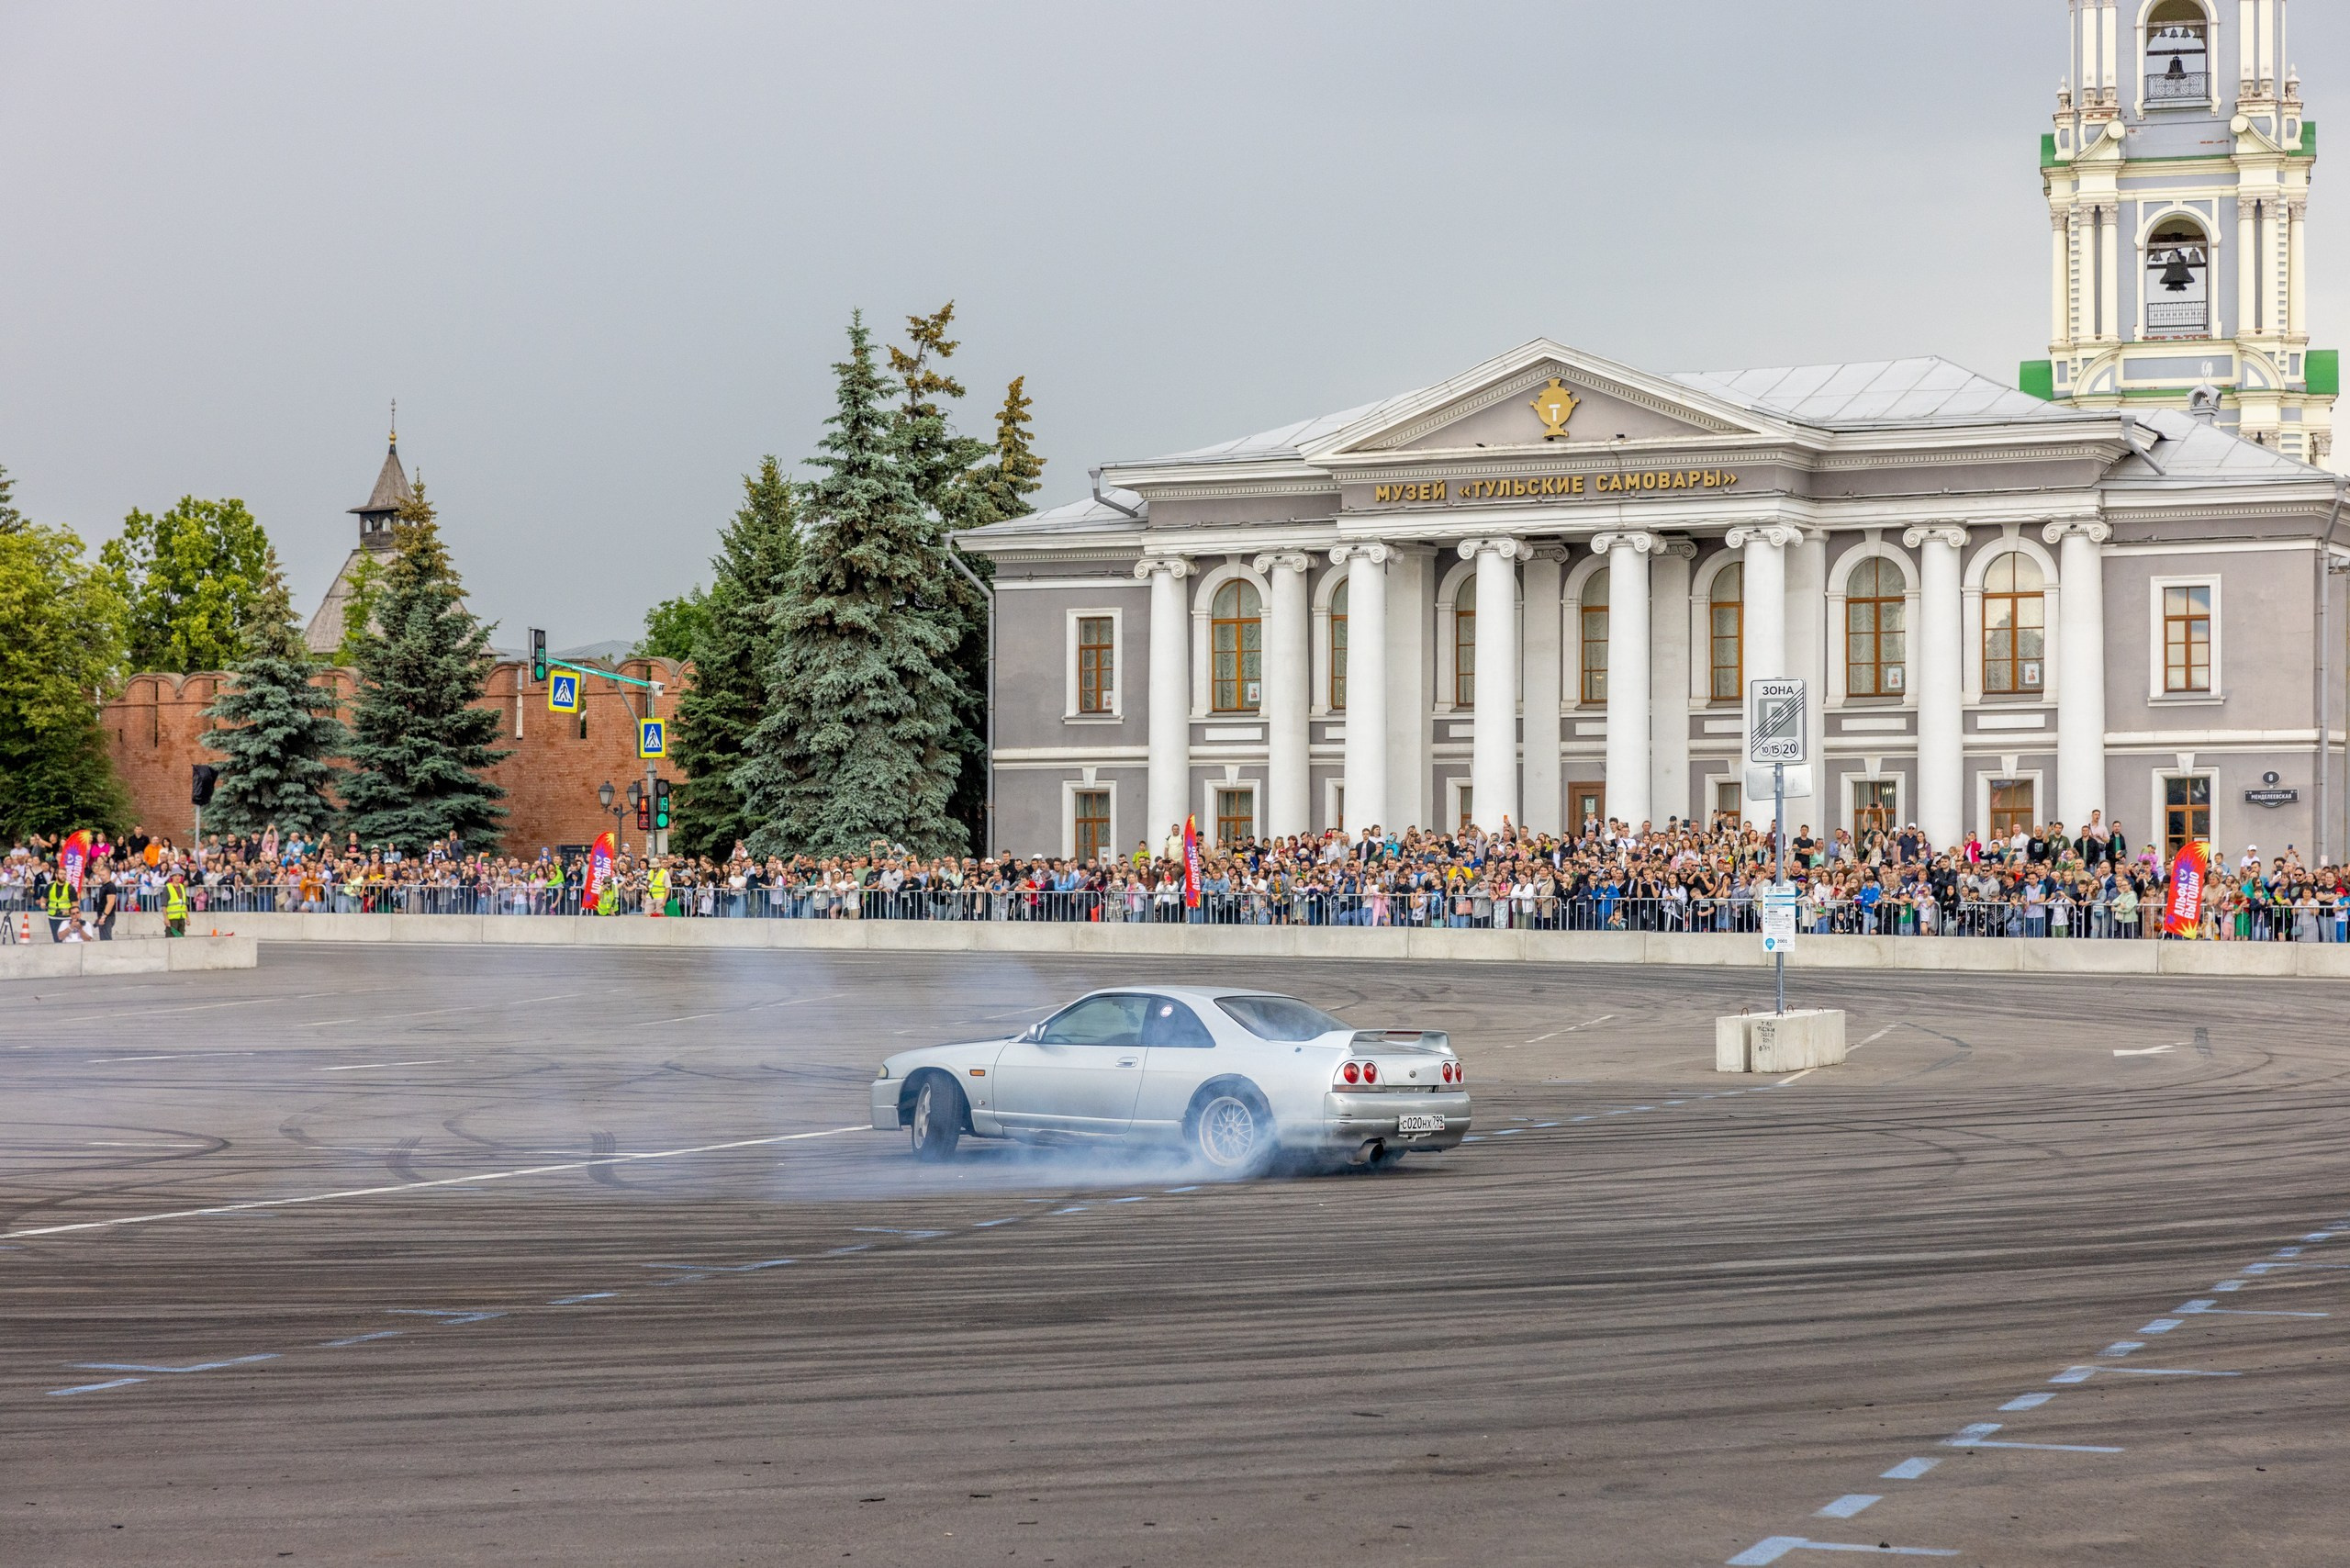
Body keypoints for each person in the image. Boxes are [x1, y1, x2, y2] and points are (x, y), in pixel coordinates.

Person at [162, 872, 187, 937]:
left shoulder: (182, 887)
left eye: (179, 875)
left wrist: (187, 917)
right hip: (172, 919)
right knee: (171, 937)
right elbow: (164, 905)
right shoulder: (167, 888)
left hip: (181, 918)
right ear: (172, 877)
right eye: (175, 875)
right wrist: (166, 919)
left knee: (181, 938)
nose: (177, 877)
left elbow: (184, 904)